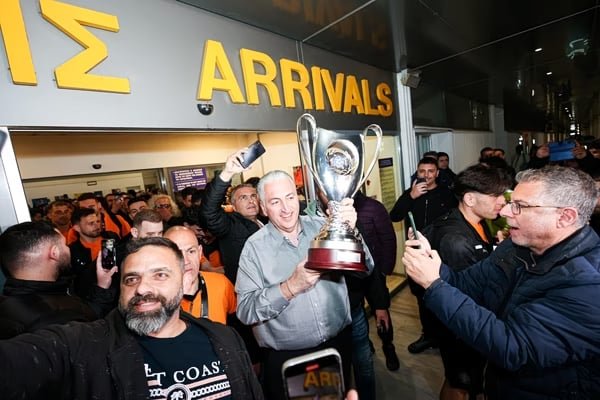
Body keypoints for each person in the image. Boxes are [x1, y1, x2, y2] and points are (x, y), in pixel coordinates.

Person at [402, 166, 600, 399]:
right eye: (509, 201)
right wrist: (434, 268)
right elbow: (465, 283)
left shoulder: (589, 284)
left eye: (520, 206)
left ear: (565, 217)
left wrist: (435, 285)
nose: (505, 211)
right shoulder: (515, 247)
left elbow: (512, 347)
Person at [0, 237, 264, 399]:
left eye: (160, 275)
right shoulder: (85, 345)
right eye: (131, 279)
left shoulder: (224, 338)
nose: (142, 288)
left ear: (185, 281)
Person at [236, 170, 366, 399]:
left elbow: (366, 269)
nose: (286, 208)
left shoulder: (324, 228)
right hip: (291, 359)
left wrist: (351, 232)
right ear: (263, 208)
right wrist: (290, 287)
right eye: (275, 202)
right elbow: (245, 310)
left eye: (290, 197)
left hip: (338, 346)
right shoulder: (254, 248)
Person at [422, 164, 513, 400]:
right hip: (460, 326)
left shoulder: (474, 221)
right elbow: (463, 293)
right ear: (470, 199)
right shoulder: (456, 240)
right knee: (460, 382)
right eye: (495, 196)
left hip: (467, 320)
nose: (502, 202)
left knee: (467, 378)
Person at [0, 221, 115, 339]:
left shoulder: (9, 304)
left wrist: (102, 286)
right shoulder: (57, 319)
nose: (68, 248)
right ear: (54, 253)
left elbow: (89, 313)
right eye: (65, 245)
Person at [390, 156, 457, 353]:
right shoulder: (410, 193)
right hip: (417, 255)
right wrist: (411, 196)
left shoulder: (447, 194)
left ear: (437, 173)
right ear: (417, 172)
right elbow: (394, 216)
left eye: (430, 171)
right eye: (422, 171)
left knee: (443, 295)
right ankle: (428, 335)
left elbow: (455, 222)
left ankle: (446, 336)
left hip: (440, 255)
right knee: (421, 297)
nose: (426, 175)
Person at [164, 226, 236, 325]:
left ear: (200, 252)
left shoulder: (222, 284)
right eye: (177, 254)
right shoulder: (158, 296)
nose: (186, 261)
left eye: (191, 251)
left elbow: (238, 325)